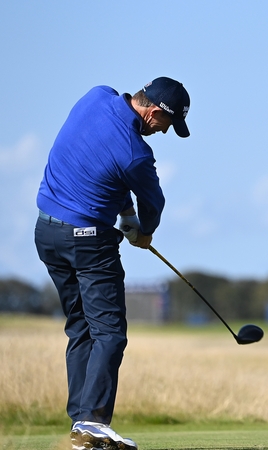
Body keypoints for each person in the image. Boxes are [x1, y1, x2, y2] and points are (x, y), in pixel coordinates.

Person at [34, 77, 190, 450]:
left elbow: (99, 161)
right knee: (109, 333)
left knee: (81, 328)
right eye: (167, 123)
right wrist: (144, 231)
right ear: (154, 112)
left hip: (46, 233)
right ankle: (92, 422)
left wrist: (126, 214)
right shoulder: (137, 154)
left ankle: (82, 426)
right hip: (88, 242)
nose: (164, 131)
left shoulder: (96, 96)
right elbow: (155, 203)